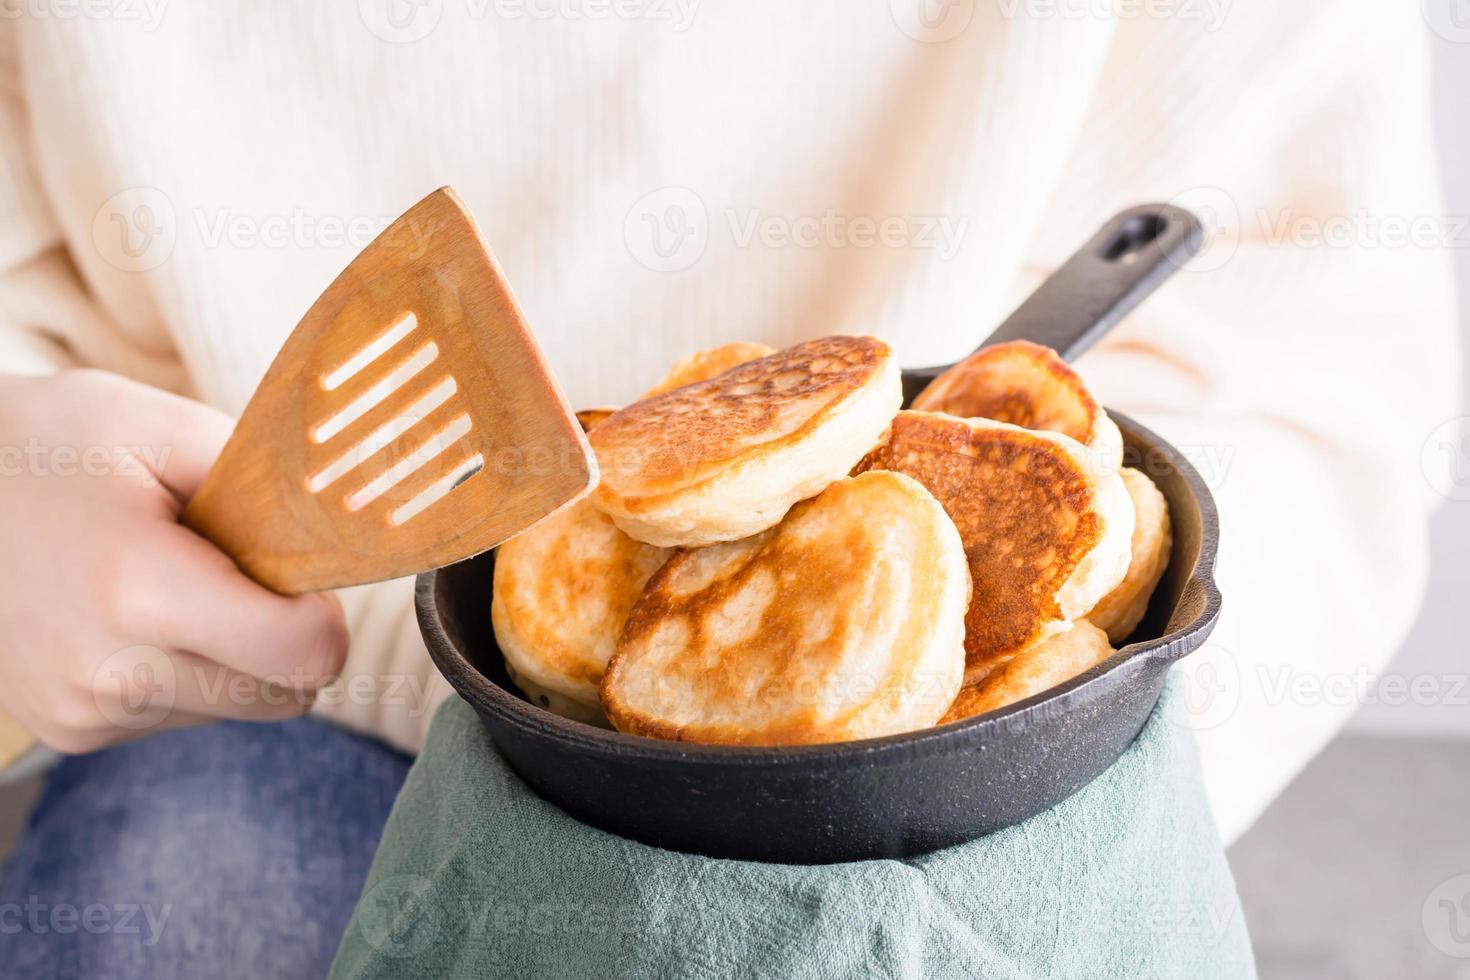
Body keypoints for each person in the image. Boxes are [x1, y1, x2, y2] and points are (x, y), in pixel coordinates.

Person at [0, 2, 1457, 976]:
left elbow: (1314, 347)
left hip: (959, 789)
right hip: (258, 690)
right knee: (180, 880)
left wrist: (987, 730)